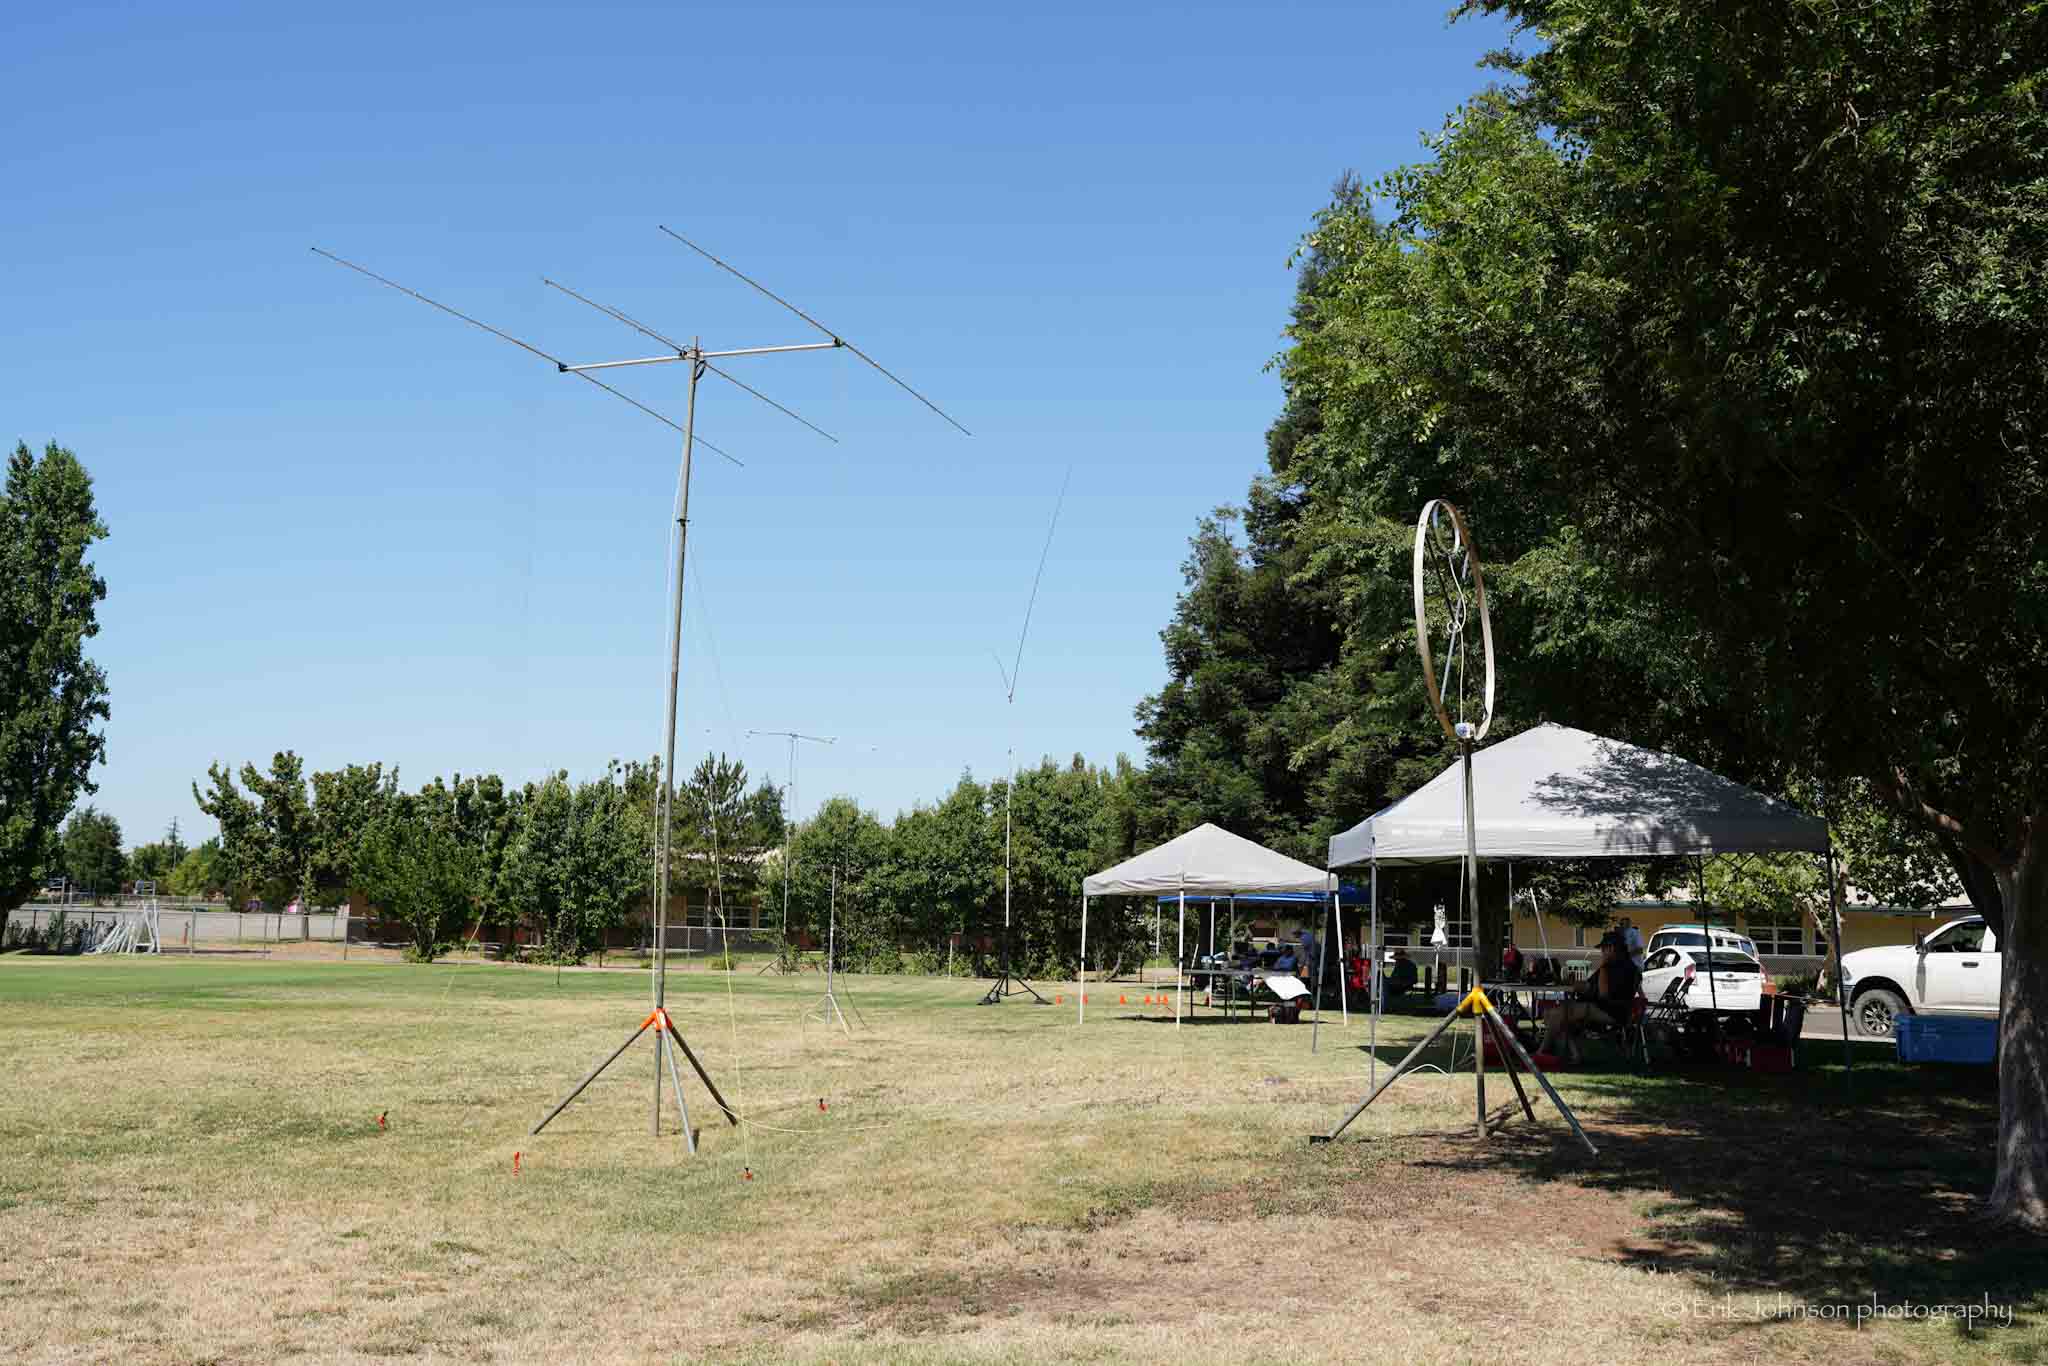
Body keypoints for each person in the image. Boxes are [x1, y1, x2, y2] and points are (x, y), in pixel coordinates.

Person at [1537, 932, 1642, 1064]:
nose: (1601, 952)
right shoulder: (1611, 966)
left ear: (1612, 948)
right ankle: (1572, 1056)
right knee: (1551, 1014)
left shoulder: (1626, 969)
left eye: (1603, 949)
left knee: (1558, 1014)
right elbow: (1589, 985)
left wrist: (1603, 966)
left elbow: (1604, 994)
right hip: (1599, 1008)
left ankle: (1541, 1053)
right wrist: (1566, 982)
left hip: (1613, 1013)